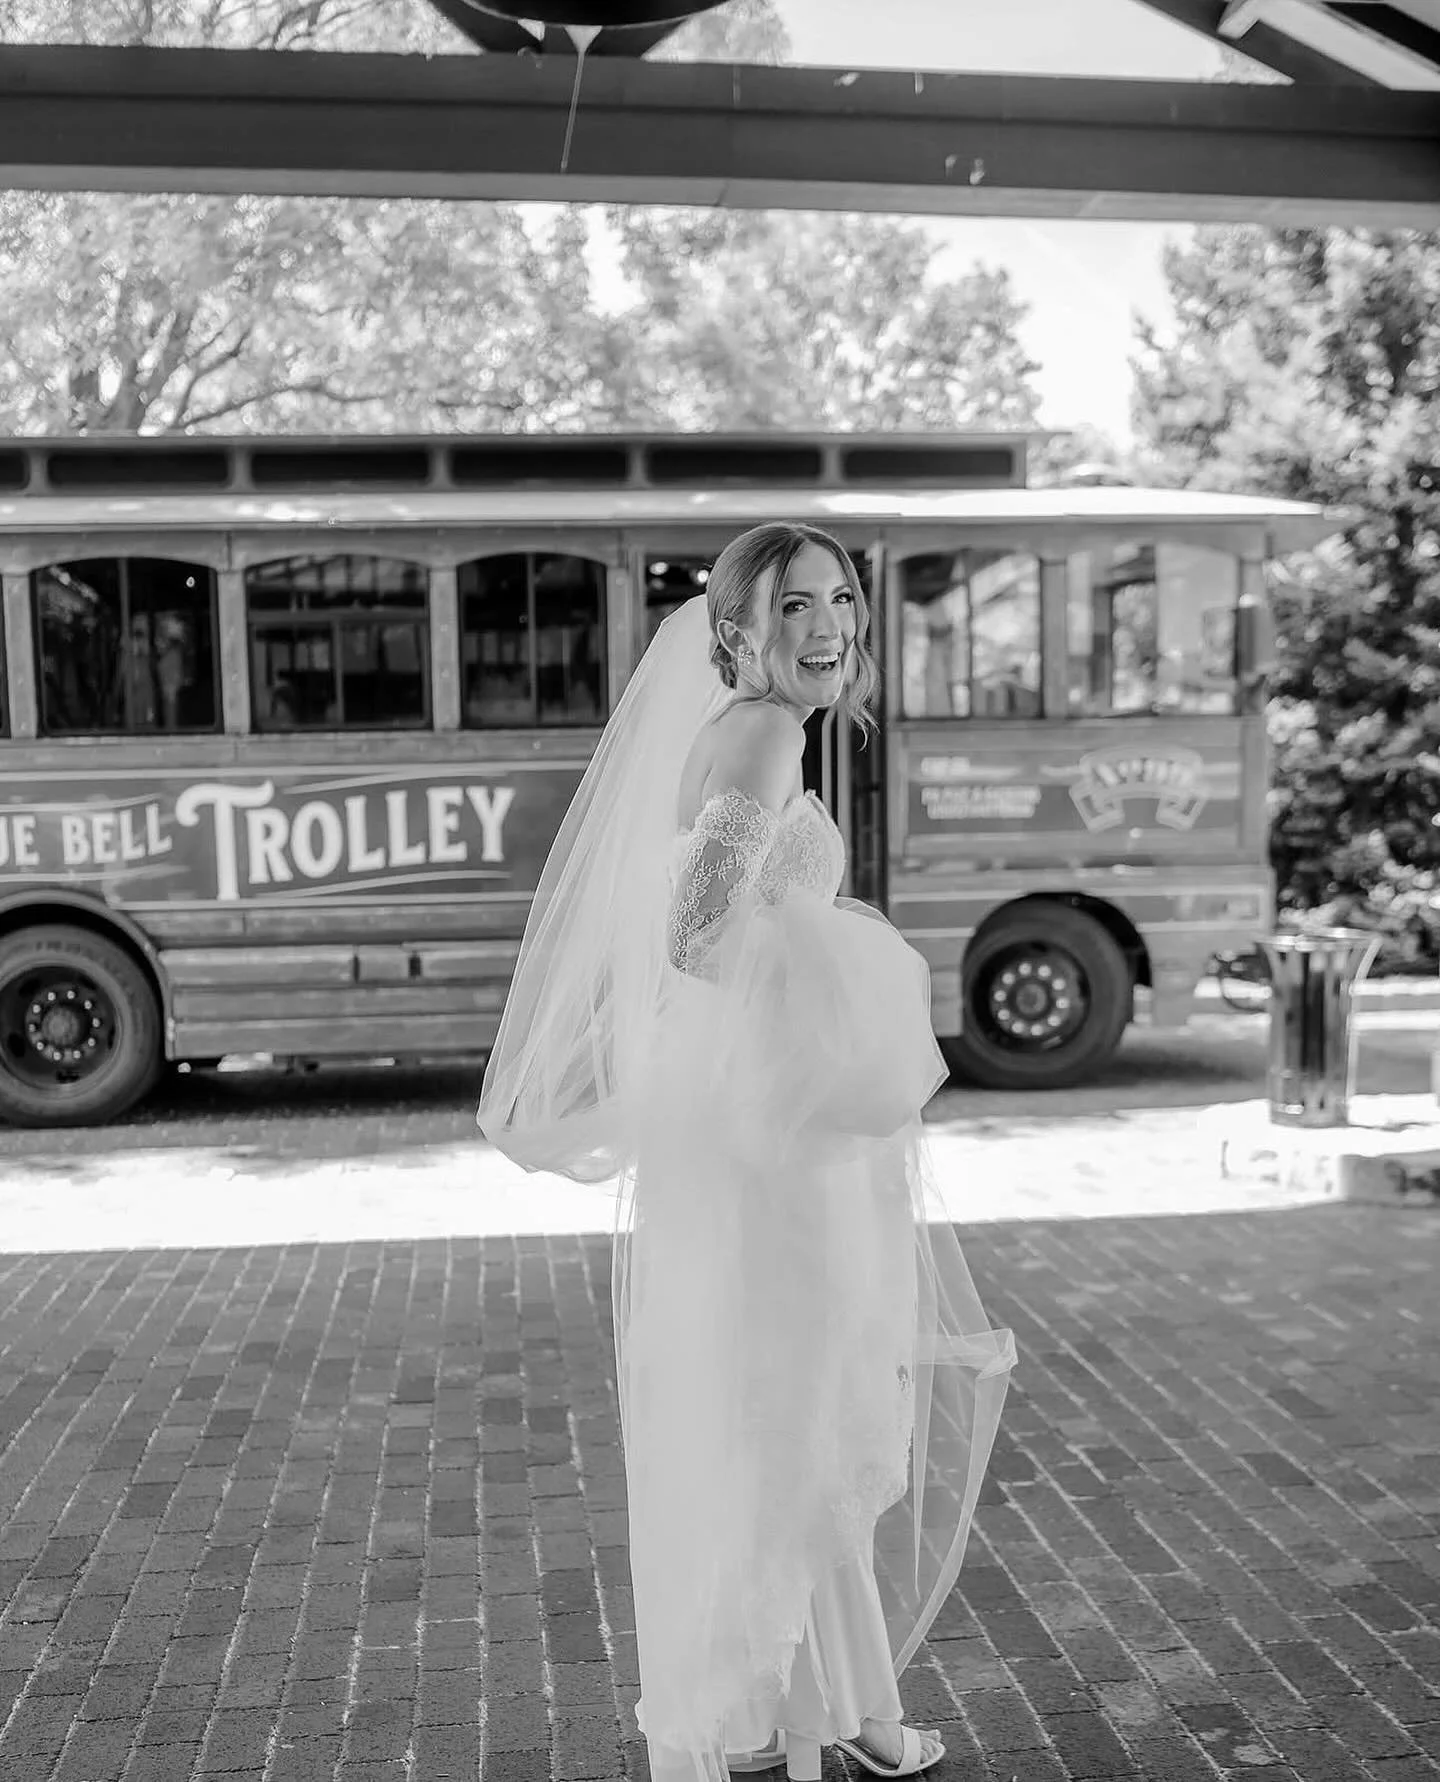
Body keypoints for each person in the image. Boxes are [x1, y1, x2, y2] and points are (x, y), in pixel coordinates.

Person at [479, 523, 1015, 1782]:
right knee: (803, 1410)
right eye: (794, 608)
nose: (827, 626)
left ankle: (845, 1717)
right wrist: (851, 986)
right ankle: (819, 1721)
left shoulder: (741, 730)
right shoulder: (766, 734)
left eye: (840, 599)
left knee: (792, 1412)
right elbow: (697, 933)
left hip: (752, 1133)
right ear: (738, 631)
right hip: (772, 1148)